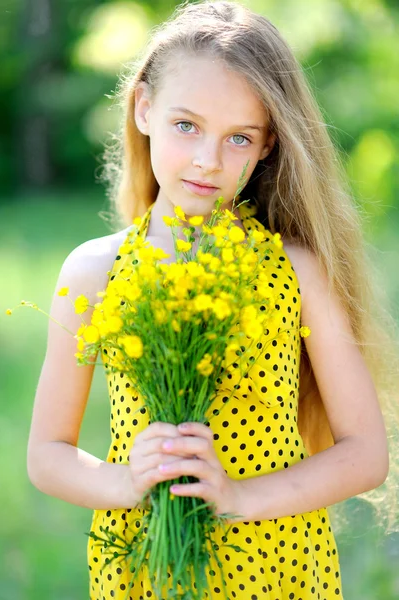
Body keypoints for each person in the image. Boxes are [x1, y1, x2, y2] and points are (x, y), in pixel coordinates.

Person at [26, 1, 399, 599]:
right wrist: (127, 482)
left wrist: (237, 497)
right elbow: (47, 454)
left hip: (276, 561)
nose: (208, 159)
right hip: (145, 563)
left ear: (268, 145)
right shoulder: (94, 273)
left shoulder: (293, 273)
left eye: (239, 138)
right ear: (144, 109)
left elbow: (364, 455)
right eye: (186, 126)